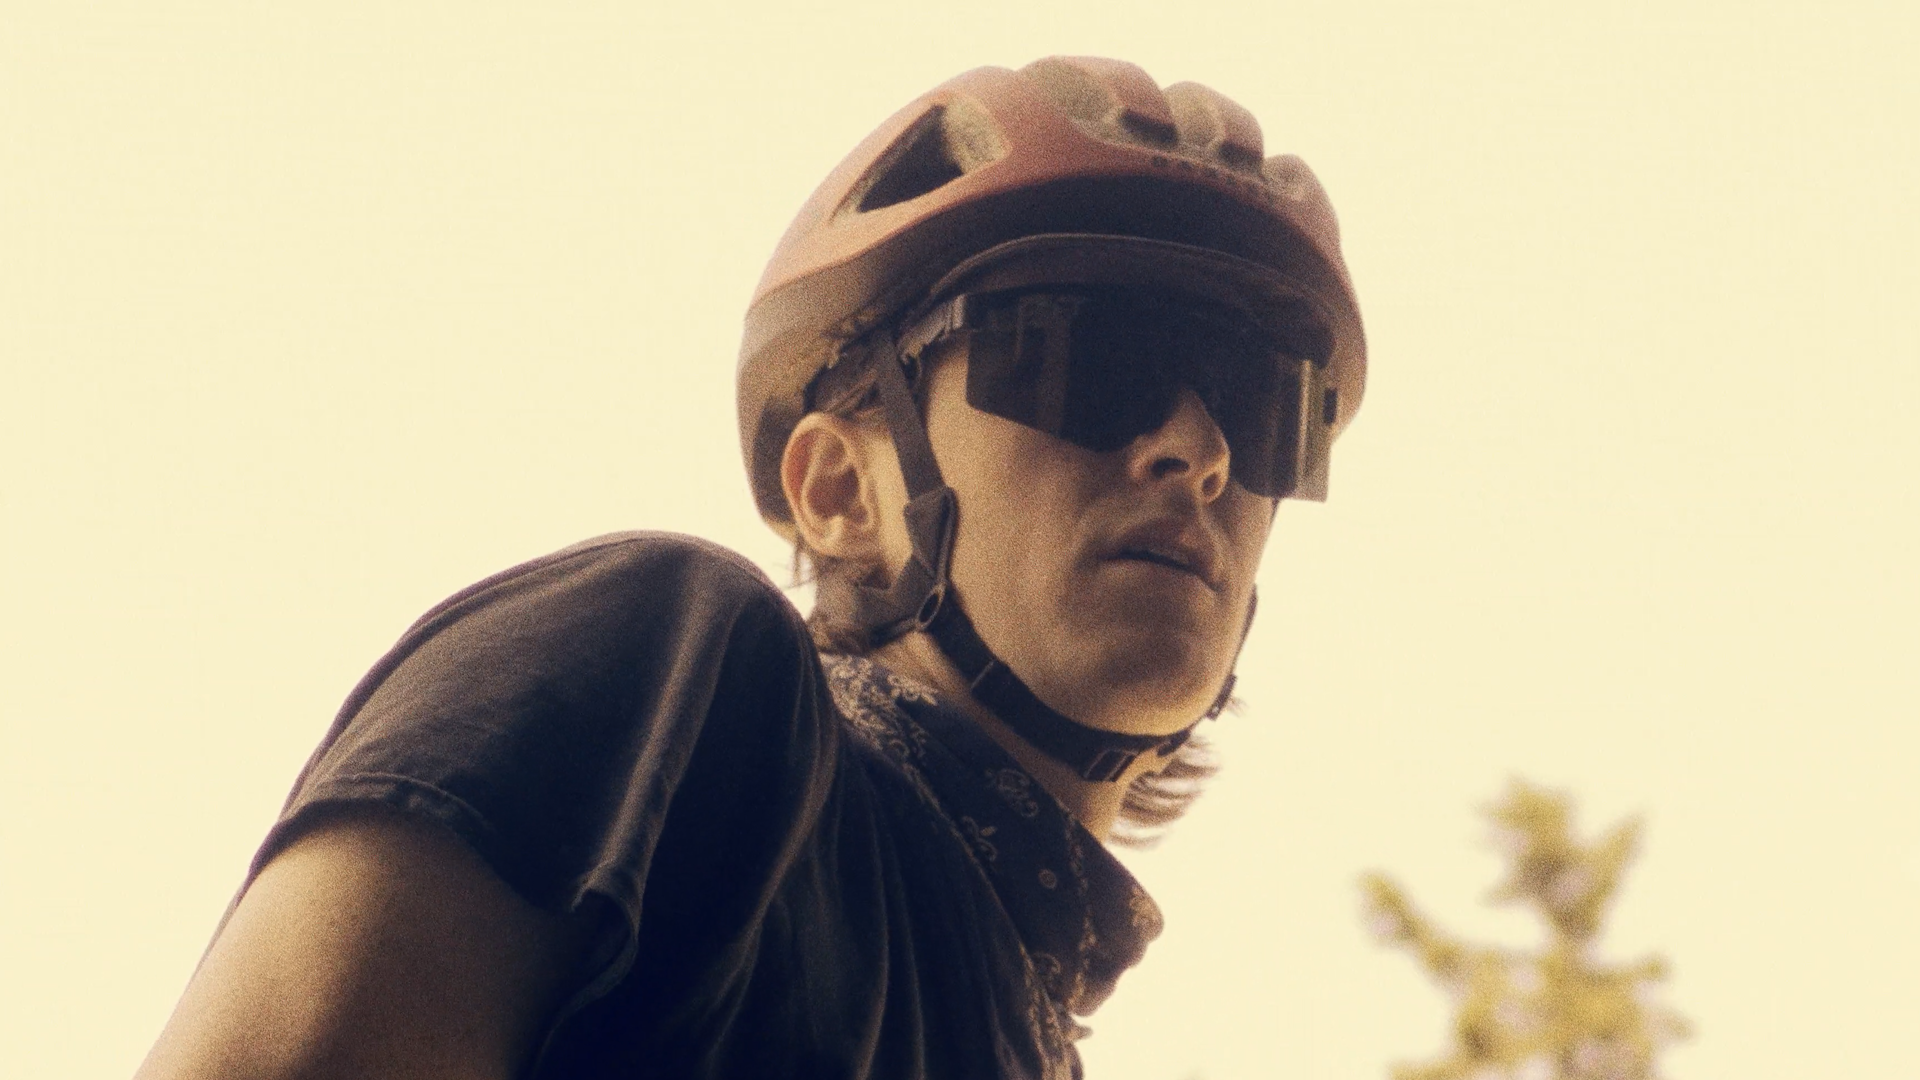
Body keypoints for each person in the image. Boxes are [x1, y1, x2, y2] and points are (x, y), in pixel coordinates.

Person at [134, 55, 1366, 1080]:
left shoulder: (1021, 1024)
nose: (1200, 450)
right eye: (1090, 359)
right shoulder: (670, 675)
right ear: (839, 492)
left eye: (1265, 407)